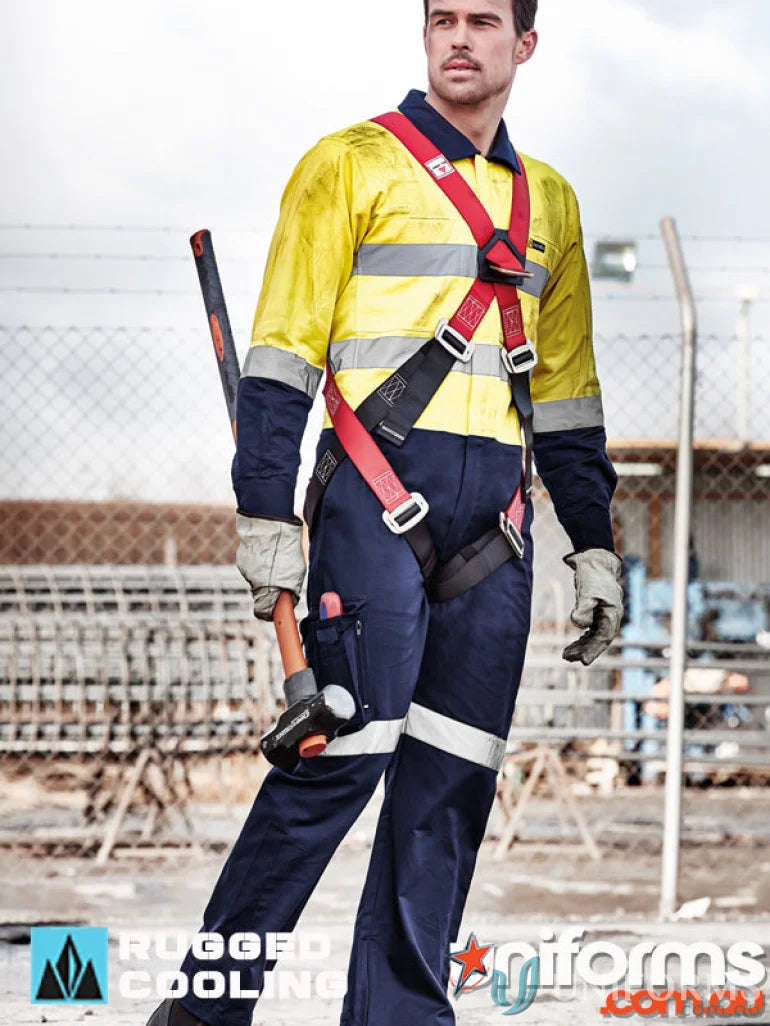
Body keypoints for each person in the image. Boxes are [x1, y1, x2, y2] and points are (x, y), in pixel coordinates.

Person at [148, 1, 623, 1023]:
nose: (458, 37)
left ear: (522, 45)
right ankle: (205, 1011)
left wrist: (593, 545)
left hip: (497, 525)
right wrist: (265, 512)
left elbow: (570, 400)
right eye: (440, 18)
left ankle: (399, 1013)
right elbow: (279, 360)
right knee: (336, 767)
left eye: (482, 21)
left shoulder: (551, 202)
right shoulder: (350, 163)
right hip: (372, 501)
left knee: (448, 788)